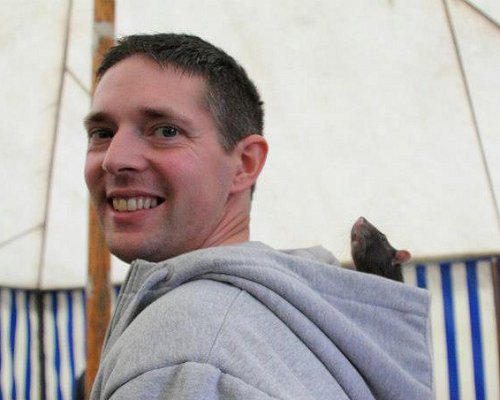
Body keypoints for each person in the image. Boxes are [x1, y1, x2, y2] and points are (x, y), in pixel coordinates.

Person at [84, 33, 433, 399]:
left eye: (166, 131)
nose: (114, 159)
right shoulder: (304, 324)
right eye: (101, 133)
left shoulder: (186, 354)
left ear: (245, 164)